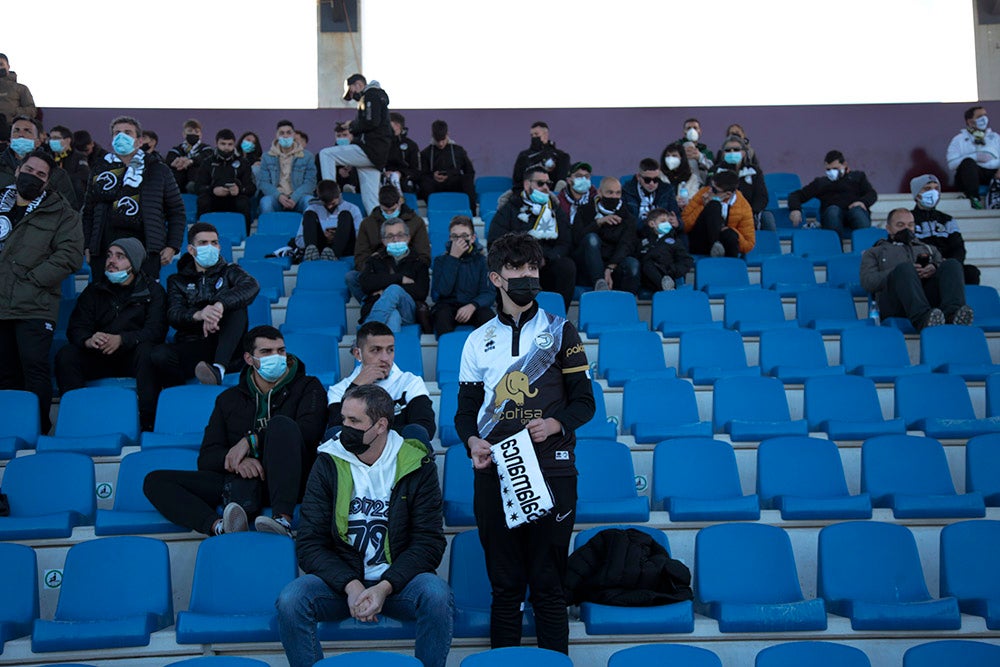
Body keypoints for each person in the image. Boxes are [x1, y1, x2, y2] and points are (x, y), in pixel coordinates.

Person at [456, 232, 595, 653]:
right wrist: (471, 442)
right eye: (518, 269)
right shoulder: (477, 339)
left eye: (533, 269)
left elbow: (585, 403)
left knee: (549, 585)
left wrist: (555, 424)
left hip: (552, 470)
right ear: (497, 278)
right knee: (506, 586)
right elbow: (465, 411)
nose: (528, 277)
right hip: (497, 471)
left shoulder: (561, 330)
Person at [276, 383, 452, 667]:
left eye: (354, 421)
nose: (344, 427)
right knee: (292, 599)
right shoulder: (327, 462)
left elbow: (429, 542)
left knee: (437, 594)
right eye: (343, 419)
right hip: (342, 584)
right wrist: (351, 586)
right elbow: (309, 543)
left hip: (399, 585)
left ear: (381, 425)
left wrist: (384, 587)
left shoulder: (416, 463)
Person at [144, 325, 328, 537]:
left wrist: (250, 441)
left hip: (293, 478)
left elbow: (309, 431)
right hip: (241, 483)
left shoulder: (308, 386)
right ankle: (220, 527)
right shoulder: (228, 399)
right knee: (155, 481)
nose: (276, 357)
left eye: (281, 351)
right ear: (249, 359)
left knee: (282, 425)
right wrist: (237, 462)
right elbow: (207, 458)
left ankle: (282, 520)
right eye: (266, 352)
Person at [0, 150, 84, 433]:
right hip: (0, 303)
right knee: (5, 371)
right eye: (29, 170)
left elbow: (70, 256)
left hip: (35, 304)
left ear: (47, 182)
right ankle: (11, 430)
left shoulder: (62, 213)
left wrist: (33, 278)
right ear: (17, 170)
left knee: (33, 367)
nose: (32, 177)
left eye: (40, 174)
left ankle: (36, 429)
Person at [55, 238, 166, 431]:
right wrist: (89, 340)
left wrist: (122, 340)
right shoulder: (94, 290)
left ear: (134, 262)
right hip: (99, 355)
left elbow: (155, 331)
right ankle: (77, 420)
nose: (111, 261)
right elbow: (77, 327)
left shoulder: (153, 291)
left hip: (133, 356)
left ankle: (148, 423)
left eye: (120, 256)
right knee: (67, 355)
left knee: (149, 353)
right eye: (109, 255)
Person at [152, 222, 260, 387]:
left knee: (237, 305)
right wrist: (200, 315)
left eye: (214, 242)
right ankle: (183, 391)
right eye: (203, 243)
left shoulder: (230, 271)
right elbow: (174, 314)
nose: (210, 247)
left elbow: (252, 286)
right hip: (194, 343)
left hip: (227, 345)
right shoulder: (177, 280)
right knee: (159, 355)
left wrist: (219, 305)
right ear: (191, 249)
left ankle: (218, 369)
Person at [82, 115, 186, 279]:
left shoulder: (159, 170)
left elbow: (176, 211)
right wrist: (87, 245)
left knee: (143, 299)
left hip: (146, 247)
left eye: (127, 133)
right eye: (117, 133)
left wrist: (172, 246)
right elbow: (88, 211)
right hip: (104, 248)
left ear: (139, 141)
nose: (121, 136)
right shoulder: (99, 170)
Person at [860, 208, 974, 331]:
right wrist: (896, 272)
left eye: (910, 225)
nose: (906, 229)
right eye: (900, 225)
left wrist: (934, 268)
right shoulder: (874, 252)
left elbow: (944, 269)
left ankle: (953, 315)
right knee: (904, 269)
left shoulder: (929, 249)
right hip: (894, 303)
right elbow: (868, 282)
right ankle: (923, 319)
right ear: (888, 228)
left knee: (952, 264)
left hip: (926, 298)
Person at [327, 321, 436, 445]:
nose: (385, 358)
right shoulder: (339, 390)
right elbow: (336, 433)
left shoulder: (410, 382)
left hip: (401, 457)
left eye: (390, 350)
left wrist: (364, 435)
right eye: (375, 350)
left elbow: (425, 429)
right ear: (358, 354)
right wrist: (355, 388)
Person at [488, 166, 576, 309]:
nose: (546, 188)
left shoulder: (554, 208)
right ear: (527, 184)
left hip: (548, 262)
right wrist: (526, 259)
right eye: (540, 183)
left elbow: (565, 242)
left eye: (548, 183)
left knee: (567, 266)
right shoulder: (510, 208)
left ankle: (558, 312)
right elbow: (495, 242)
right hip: (517, 263)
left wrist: (546, 257)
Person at [319, 73, 392, 216]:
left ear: (358, 85)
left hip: (370, 149)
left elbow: (371, 122)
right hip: (377, 155)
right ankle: (380, 229)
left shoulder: (371, 95)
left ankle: (330, 192)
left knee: (326, 154)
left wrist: (351, 125)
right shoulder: (377, 97)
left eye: (352, 91)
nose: (353, 96)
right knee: (371, 202)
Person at [348, 185, 430, 303]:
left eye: (392, 209)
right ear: (379, 204)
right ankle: (371, 303)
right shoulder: (367, 224)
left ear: (400, 202)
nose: (389, 213)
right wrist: (382, 277)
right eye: (385, 210)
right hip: (377, 271)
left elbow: (424, 256)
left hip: (407, 269)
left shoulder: (416, 222)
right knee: (352, 277)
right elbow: (360, 257)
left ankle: (375, 306)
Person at [359, 218, 430, 332]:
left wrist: (384, 288)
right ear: (383, 241)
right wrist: (399, 278)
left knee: (394, 289)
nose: (395, 239)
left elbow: (421, 292)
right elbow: (365, 284)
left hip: (407, 311)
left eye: (400, 235)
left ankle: (366, 333)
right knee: (393, 316)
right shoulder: (375, 259)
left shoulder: (419, 262)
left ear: (408, 238)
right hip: (379, 308)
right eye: (390, 236)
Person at [787, 150, 877, 239]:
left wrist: (862, 202)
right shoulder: (821, 183)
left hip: (854, 213)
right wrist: (795, 209)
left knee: (857, 210)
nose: (831, 172)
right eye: (828, 169)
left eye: (835, 168)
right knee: (833, 210)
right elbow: (796, 195)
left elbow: (872, 194)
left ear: (844, 165)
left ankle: (866, 247)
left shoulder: (858, 177)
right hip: (832, 218)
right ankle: (835, 248)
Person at [571, 177, 639, 294]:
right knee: (592, 239)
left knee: (632, 264)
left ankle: (627, 304)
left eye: (618, 193)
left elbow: (626, 244)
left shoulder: (627, 216)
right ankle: (600, 284)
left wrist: (610, 267)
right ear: (599, 192)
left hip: (613, 263)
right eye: (610, 192)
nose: (614, 196)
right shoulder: (585, 211)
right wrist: (598, 223)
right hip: (586, 264)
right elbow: (577, 238)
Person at [909, 174, 980, 285]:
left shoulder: (947, 220)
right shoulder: (908, 219)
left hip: (945, 266)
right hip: (920, 268)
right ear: (917, 195)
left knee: (971, 272)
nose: (933, 192)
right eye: (927, 189)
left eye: (936, 189)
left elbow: (958, 248)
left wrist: (941, 264)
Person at [431, 216, 494, 336]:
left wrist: (473, 305)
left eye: (464, 236)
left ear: (473, 238)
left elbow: (489, 293)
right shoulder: (440, 261)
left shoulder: (482, 261)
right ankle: (447, 352)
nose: (459, 240)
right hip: (448, 306)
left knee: (488, 317)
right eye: (455, 236)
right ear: (450, 238)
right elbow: (442, 291)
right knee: (441, 316)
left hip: (475, 306)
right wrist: (453, 258)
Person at [0, 115, 78, 207]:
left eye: (27, 131)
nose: (21, 134)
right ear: (10, 139)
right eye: (16, 130)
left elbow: (69, 210)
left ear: (38, 142)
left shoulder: (56, 174)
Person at [194, 128, 256, 233]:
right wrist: (212, 190)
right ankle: (201, 235)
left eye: (230, 144)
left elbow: (251, 188)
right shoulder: (207, 162)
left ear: (234, 144)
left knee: (244, 202)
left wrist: (239, 190)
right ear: (216, 143)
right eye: (223, 144)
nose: (226, 147)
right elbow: (198, 187)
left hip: (234, 199)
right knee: (203, 201)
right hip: (213, 198)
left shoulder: (243, 162)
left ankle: (245, 237)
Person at [682, 170, 755, 258]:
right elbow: (684, 225)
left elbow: (749, 244)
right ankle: (715, 244)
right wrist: (704, 207)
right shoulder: (703, 193)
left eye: (714, 190)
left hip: (724, 244)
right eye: (711, 186)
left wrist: (728, 230)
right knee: (714, 205)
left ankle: (731, 267)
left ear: (728, 194)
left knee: (730, 235)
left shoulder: (743, 207)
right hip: (700, 239)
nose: (710, 191)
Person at [712, 135, 773, 231]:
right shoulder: (716, 171)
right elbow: (711, 194)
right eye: (728, 150)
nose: (732, 152)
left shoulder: (754, 171)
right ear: (723, 154)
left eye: (736, 149)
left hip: (749, 214)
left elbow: (762, 197)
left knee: (767, 217)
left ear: (744, 153)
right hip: (723, 215)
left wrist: (749, 213)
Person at [257, 119, 317, 215]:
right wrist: (279, 196)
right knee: (266, 202)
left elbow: (310, 183)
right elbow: (263, 182)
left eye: (289, 133)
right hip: (276, 198)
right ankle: (270, 230)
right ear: (276, 136)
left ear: (293, 135)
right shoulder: (266, 156)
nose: (285, 136)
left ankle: (308, 230)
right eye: (282, 133)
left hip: (299, 198)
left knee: (309, 201)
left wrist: (294, 198)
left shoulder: (307, 156)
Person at [946, 105, 1000, 209]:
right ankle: (974, 199)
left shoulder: (995, 137)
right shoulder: (959, 139)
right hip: (972, 176)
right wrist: (974, 156)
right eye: (980, 116)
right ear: (970, 122)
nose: (984, 118)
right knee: (968, 162)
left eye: (985, 115)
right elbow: (951, 164)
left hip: (994, 174)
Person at [297, 180, 362, 261]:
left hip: (345, 247)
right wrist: (320, 236)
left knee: (345, 214)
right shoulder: (312, 208)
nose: (329, 207)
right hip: (320, 246)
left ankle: (334, 254)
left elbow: (360, 237)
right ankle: (311, 253)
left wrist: (338, 235)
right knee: (309, 214)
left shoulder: (352, 208)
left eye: (333, 203)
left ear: (338, 196)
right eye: (326, 204)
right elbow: (299, 240)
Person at [419, 119, 476, 211]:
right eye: (438, 141)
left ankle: (471, 212)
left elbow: (469, 171)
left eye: (443, 140)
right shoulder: (426, 153)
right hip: (435, 185)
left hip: (454, 182)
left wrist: (450, 174)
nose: (441, 144)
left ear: (447, 134)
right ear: (433, 136)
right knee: (424, 183)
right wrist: (433, 175)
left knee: (467, 181)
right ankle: (434, 210)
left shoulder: (458, 150)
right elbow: (422, 174)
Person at [638, 207, 693, 292]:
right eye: (663, 221)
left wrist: (672, 270)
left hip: (669, 275)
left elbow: (686, 261)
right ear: (652, 224)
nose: (667, 224)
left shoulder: (675, 241)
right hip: (648, 279)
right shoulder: (644, 241)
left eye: (668, 221)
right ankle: (665, 287)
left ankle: (666, 285)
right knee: (647, 264)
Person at [510, 121, 571, 192]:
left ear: (546, 135)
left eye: (536, 134)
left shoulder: (558, 154)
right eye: (532, 135)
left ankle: (559, 190)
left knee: (564, 157)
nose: (534, 137)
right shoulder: (525, 154)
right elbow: (517, 177)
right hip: (531, 187)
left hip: (551, 187)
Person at [621, 157, 682, 226]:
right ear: (638, 177)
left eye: (656, 179)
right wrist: (648, 225)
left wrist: (677, 223)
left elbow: (678, 219)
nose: (652, 183)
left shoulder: (667, 190)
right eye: (647, 180)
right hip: (635, 233)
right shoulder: (627, 191)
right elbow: (626, 221)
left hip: (663, 233)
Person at [46, 125, 90, 207]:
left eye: (56, 138)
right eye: (51, 138)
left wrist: (62, 178)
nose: (52, 141)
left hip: (72, 199)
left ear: (68, 140)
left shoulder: (78, 156)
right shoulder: (47, 156)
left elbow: (84, 175)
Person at [165, 119, 213, 194]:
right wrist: (177, 162)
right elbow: (170, 159)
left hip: (198, 187)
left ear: (200, 135)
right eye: (190, 131)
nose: (193, 133)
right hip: (178, 188)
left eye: (196, 131)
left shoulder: (206, 149)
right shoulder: (176, 149)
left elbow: (205, 158)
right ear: (184, 134)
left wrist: (190, 161)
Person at [384, 112, 421, 194]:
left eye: (388, 124)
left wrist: (401, 174)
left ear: (397, 126)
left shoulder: (411, 145)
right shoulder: (382, 144)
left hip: (404, 180)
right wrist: (384, 173)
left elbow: (416, 171)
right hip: (384, 177)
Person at [667, 118, 713, 183]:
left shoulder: (707, 152)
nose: (692, 130)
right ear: (684, 132)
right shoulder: (675, 147)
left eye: (695, 128)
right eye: (688, 128)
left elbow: (712, 168)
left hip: (702, 184)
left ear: (699, 131)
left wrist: (699, 157)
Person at [0, 54, 36, 133]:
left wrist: (14, 111)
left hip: (12, 130)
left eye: (1, 64)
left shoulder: (21, 88)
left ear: (8, 66)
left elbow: (32, 110)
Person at [556, 161, 597, 225]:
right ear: (569, 180)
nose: (583, 179)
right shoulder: (560, 201)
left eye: (587, 176)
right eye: (579, 176)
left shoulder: (595, 198)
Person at [660, 143, 699, 208]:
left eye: (674, 156)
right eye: (667, 156)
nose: (670, 159)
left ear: (682, 158)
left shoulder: (692, 178)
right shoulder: (659, 175)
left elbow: (693, 198)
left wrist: (684, 201)